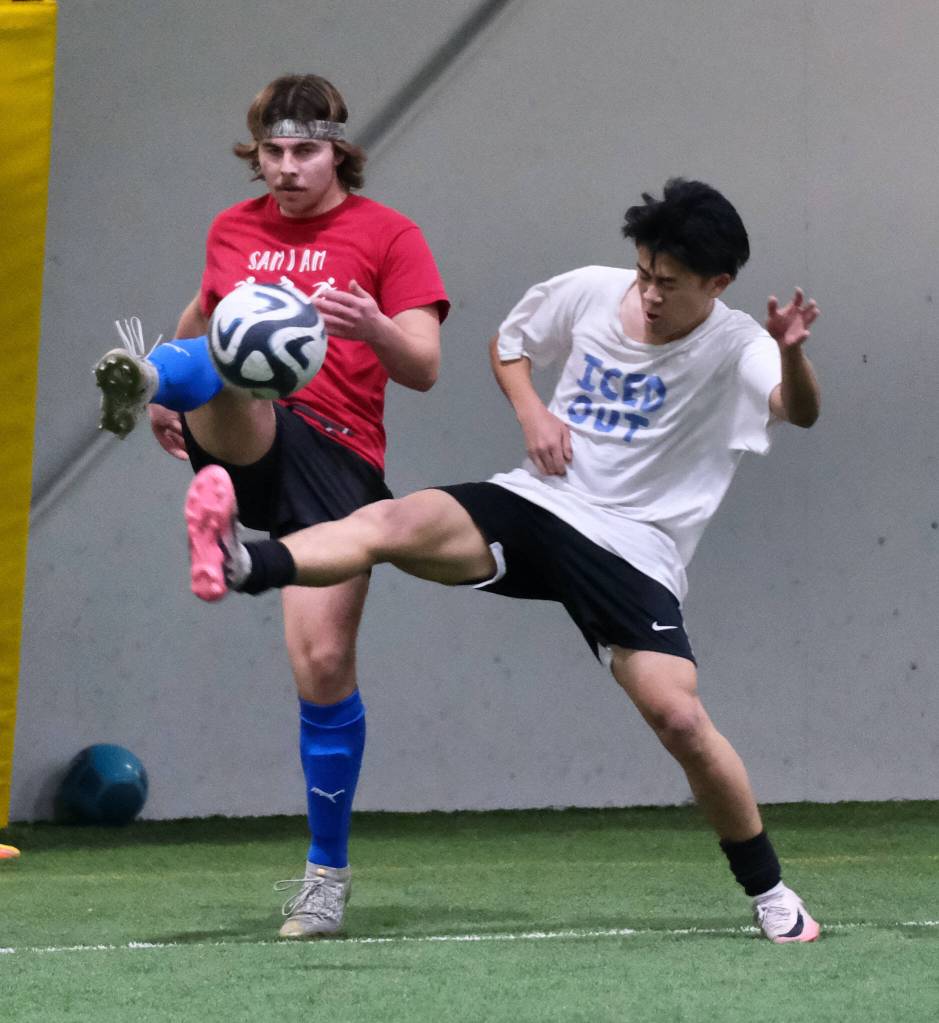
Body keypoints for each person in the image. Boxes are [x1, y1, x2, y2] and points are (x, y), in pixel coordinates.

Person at [185, 177, 823, 944]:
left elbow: (799, 410)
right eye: (644, 273)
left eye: (671, 284)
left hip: (635, 548)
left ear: (716, 285)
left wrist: (790, 355)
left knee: (680, 717)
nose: (649, 294)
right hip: (536, 502)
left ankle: (771, 893)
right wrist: (532, 412)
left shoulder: (739, 346)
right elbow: (509, 344)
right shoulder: (593, 290)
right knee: (389, 520)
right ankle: (242, 562)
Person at [93, 73, 449, 938]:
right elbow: (207, 317)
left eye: (304, 152)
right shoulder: (231, 228)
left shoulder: (388, 235)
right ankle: (145, 381)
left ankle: (325, 879)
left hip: (340, 456)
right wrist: (169, 389)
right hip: (253, 424)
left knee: (323, 666)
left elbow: (426, 365)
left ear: (339, 151)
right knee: (230, 357)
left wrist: (374, 326)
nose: (286, 170)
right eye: (272, 154)